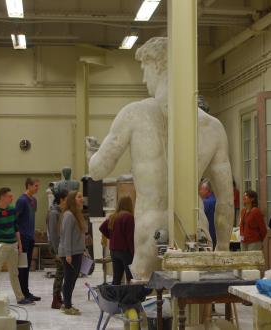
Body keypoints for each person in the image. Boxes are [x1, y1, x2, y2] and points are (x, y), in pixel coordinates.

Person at [86, 37, 234, 279]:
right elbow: (225, 202)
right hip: (195, 231)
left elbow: (97, 170)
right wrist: (223, 250)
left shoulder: (134, 114)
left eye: (144, 70)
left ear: (157, 66)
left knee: (144, 302)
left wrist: (91, 152)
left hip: (151, 234)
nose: (144, 80)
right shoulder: (212, 126)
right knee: (197, 301)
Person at [0, 187, 34, 305]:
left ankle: (20, 298)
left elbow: (16, 228)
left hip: (13, 245)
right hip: (1, 246)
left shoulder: (12, 210)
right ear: (2, 197)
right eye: (9, 196)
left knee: (14, 273)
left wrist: (20, 245)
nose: (12, 198)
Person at [58, 190, 87, 315]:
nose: (82, 199)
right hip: (69, 253)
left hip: (77, 252)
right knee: (69, 280)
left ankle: (67, 303)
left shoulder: (76, 214)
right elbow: (66, 236)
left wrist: (83, 250)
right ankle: (67, 306)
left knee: (73, 279)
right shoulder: (69, 215)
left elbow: (78, 236)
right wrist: (68, 254)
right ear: (72, 199)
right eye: (79, 197)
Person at [99, 196, 135, 285]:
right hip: (125, 251)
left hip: (114, 251)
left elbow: (102, 227)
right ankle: (129, 297)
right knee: (130, 277)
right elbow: (129, 238)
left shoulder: (113, 216)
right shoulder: (129, 217)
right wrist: (133, 253)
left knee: (116, 278)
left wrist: (112, 237)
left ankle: (115, 297)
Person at [16, 177, 41, 302]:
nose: (38, 188)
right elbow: (15, 220)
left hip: (30, 237)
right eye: (36, 186)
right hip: (23, 238)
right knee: (22, 267)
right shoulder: (21, 200)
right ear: (29, 186)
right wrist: (18, 239)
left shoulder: (34, 200)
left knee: (27, 266)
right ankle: (22, 293)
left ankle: (27, 292)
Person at [46, 189, 68, 309]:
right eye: (67, 198)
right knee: (60, 273)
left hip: (60, 247)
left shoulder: (59, 211)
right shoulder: (54, 213)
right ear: (62, 200)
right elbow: (54, 234)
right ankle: (55, 300)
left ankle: (58, 297)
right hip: (57, 247)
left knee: (62, 272)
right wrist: (58, 252)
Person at [199, 180, 217, 249]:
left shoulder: (206, 202)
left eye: (201, 189)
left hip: (209, 231)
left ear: (207, 190)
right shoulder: (214, 199)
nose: (200, 191)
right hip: (215, 231)